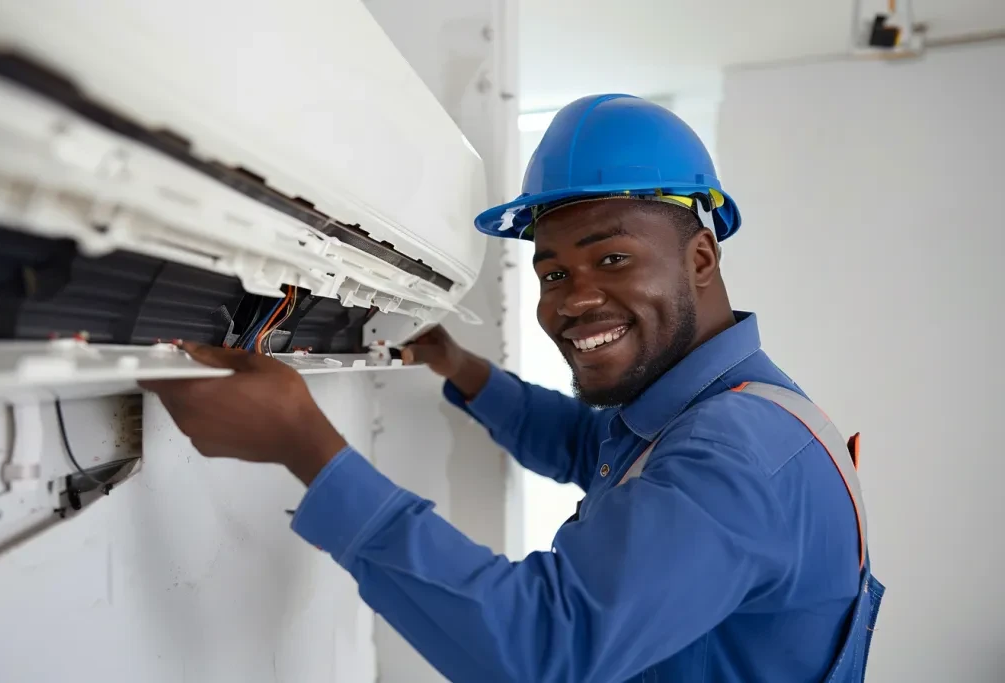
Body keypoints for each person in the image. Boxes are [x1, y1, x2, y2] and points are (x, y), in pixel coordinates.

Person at [142, 94, 884, 682]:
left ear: (700, 257)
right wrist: (459, 365)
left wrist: (308, 447)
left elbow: (544, 651)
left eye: (614, 257)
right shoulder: (709, 409)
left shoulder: (736, 452)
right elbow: (581, 441)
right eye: (553, 273)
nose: (572, 299)